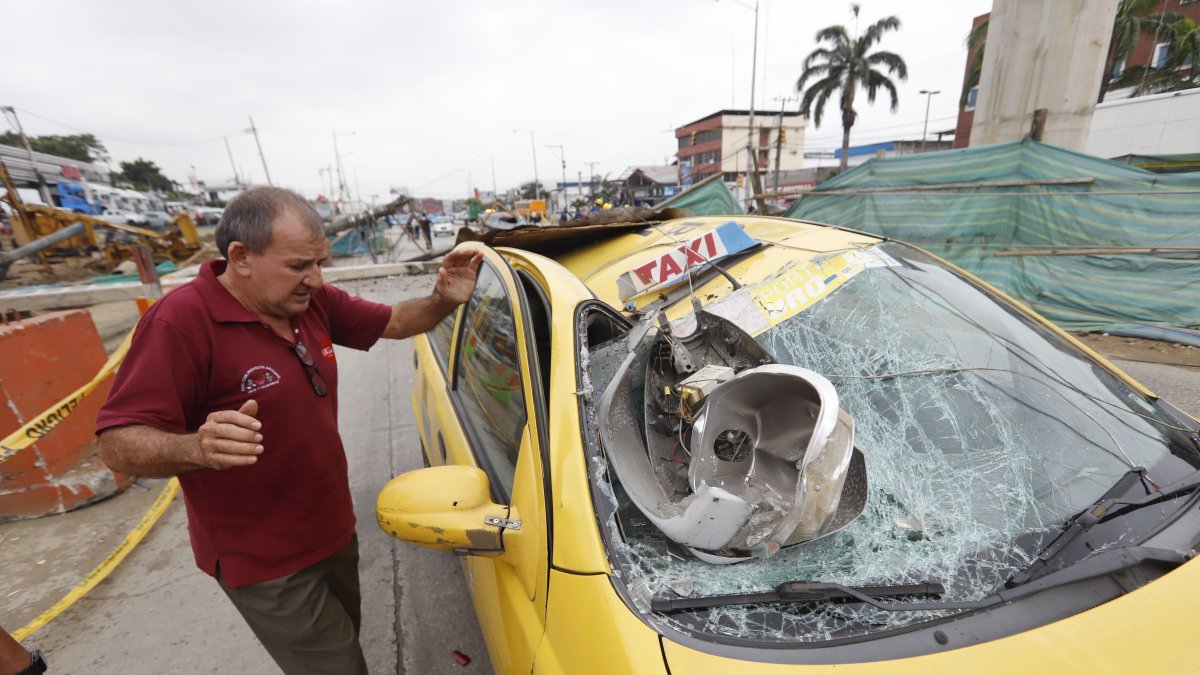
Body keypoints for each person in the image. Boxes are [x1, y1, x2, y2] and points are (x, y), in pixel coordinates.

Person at [95, 187, 482, 675]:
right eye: (300, 265)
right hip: (265, 559)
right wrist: (195, 446)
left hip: (332, 529)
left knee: (346, 643)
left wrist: (443, 297)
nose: (316, 279)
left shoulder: (309, 302)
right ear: (241, 257)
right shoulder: (180, 322)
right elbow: (115, 442)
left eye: (320, 262)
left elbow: (398, 322)